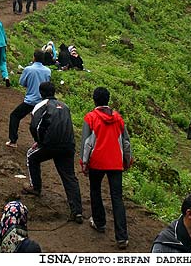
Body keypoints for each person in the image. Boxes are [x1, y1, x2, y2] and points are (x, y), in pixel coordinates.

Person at [22, 82, 83, 224]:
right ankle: (77, 211)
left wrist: (40, 141)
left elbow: (34, 126)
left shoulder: (41, 105)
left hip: (50, 144)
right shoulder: (65, 106)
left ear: (40, 92)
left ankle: (35, 187)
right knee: (69, 176)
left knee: (31, 156)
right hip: (68, 145)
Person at [80, 86, 132, 249]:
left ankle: (99, 222)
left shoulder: (90, 118)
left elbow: (86, 143)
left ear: (94, 100)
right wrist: (127, 160)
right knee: (117, 197)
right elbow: (126, 142)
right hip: (115, 162)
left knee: (95, 191)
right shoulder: (118, 118)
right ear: (108, 100)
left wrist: (84, 162)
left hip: (97, 162)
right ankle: (122, 237)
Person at [6, 50, 51, 148]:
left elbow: (22, 83)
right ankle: (40, 142)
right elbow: (48, 84)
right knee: (39, 122)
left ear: (34, 58)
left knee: (14, 116)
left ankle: (13, 141)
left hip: (30, 100)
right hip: (42, 102)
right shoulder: (48, 71)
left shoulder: (28, 69)